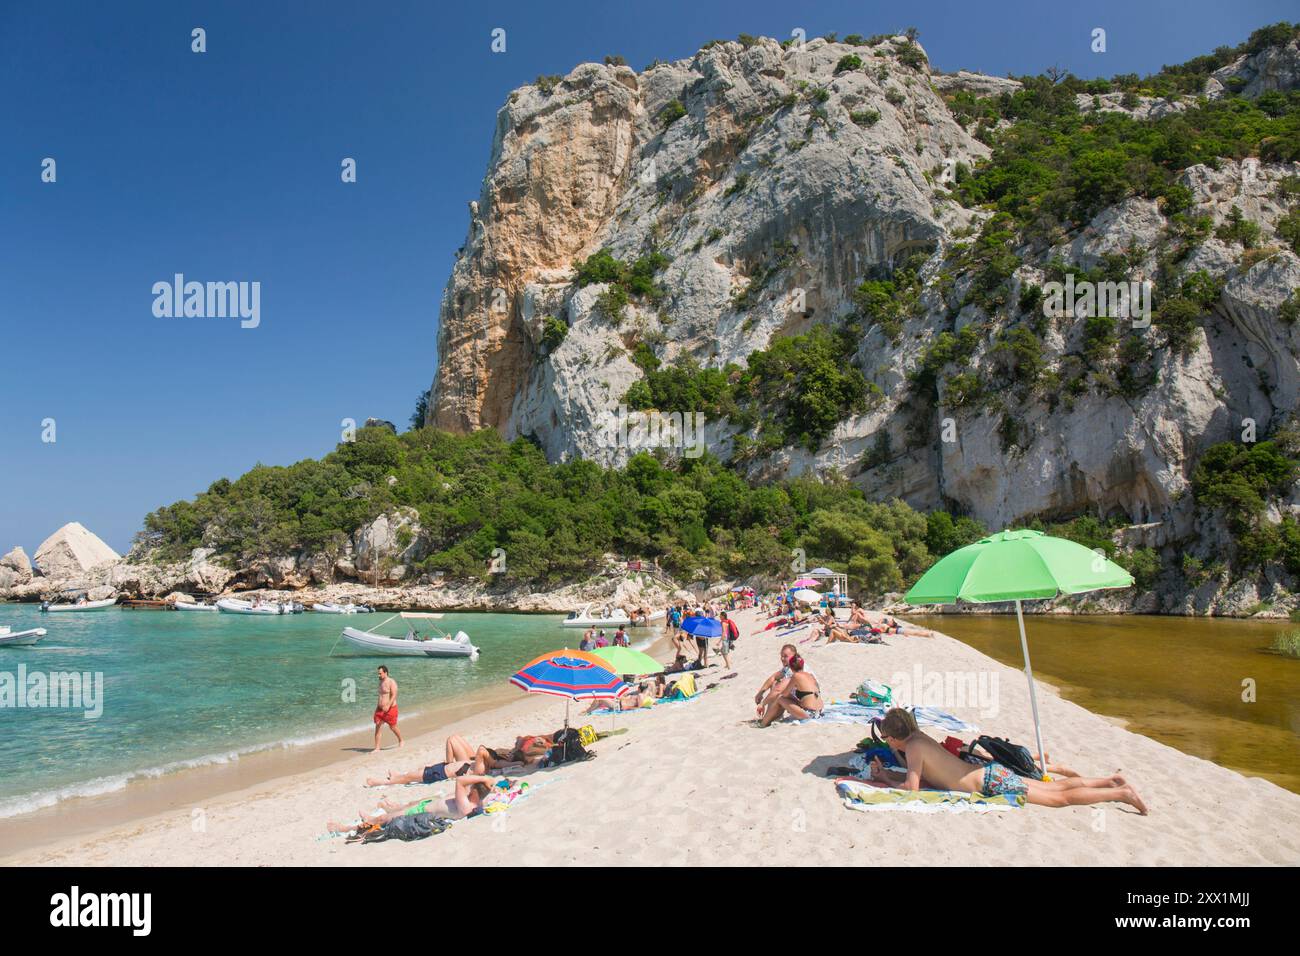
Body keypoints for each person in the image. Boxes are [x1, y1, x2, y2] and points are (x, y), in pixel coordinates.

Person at [870, 708, 1148, 813]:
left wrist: (883, 779)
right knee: (1055, 787)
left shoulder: (914, 748)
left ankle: (1120, 792)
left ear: (894, 737)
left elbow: (913, 788)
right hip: (991, 773)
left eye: (887, 738)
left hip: (990, 783)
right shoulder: (920, 739)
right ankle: (1109, 780)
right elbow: (926, 777)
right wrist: (892, 770)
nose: (887, 742)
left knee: (1060, 798)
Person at [364, 733, 519, 786]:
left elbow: (481, 750)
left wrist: (496, 759)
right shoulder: (480, 766)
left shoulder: (480, 769)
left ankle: (381, 782)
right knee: (414, 774)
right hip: (443, 769)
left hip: (440, 773)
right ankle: (398, 776)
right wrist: (513, 760)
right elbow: (497, 760)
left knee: (411, 776)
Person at [757, 654, 822, 725]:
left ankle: (763, 723)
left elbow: (783, 693)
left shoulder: (796, 676)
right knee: (787, 698)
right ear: (803, 665)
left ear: (790, 667)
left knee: (780, 698)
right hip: (819, 711)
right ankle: (770, 719)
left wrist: (762, 704)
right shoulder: (810, 675)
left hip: (810, 714)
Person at [371, 665, 402, 752]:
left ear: (385, 673)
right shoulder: (380, 682)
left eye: (380, 673)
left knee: (392, 727)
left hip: (390, 708)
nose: (379, 675)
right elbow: (380, 696)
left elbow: (394, 695)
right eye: (378, 674)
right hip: (380, 709)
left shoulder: (391, 682)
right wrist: (377, 708)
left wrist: (388, 705)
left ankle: (401, 740)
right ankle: (377, 748)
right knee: (378, 726)